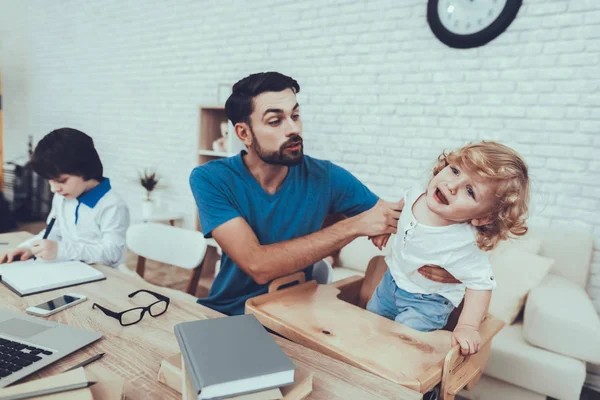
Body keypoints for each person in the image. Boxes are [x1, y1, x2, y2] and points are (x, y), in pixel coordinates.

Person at [189, 72, 402, 316]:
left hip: (295, 316)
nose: (293, 129)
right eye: (274, 121)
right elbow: (258, 265)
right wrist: (353, 227)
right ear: (244, 134)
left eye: (295, 116)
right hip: (228, 314)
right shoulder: (211, 179)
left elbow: (393, 216)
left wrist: (442, 263)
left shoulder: (327, 176)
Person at [367, 141, 529, 355]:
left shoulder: (464, 242)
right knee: (369, 324)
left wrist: (468, 327)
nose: (452, 185)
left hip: (427, 302)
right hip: (391, 282)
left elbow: (480, 284)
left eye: (470, 191)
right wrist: (386, 229)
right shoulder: (416, 194)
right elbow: (401, 208)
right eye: (454, 170)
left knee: (402, 345)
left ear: (483, 217)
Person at [0, 128, 130, 267]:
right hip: (70, 268)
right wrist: (28, 247)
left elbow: (112, 254)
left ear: (85, 169)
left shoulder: (112, 205)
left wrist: (61, 250)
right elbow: (54, 232)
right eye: (49, 181)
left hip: (104, 275)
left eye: (61, 181)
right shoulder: (62, 196)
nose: (54, 189)